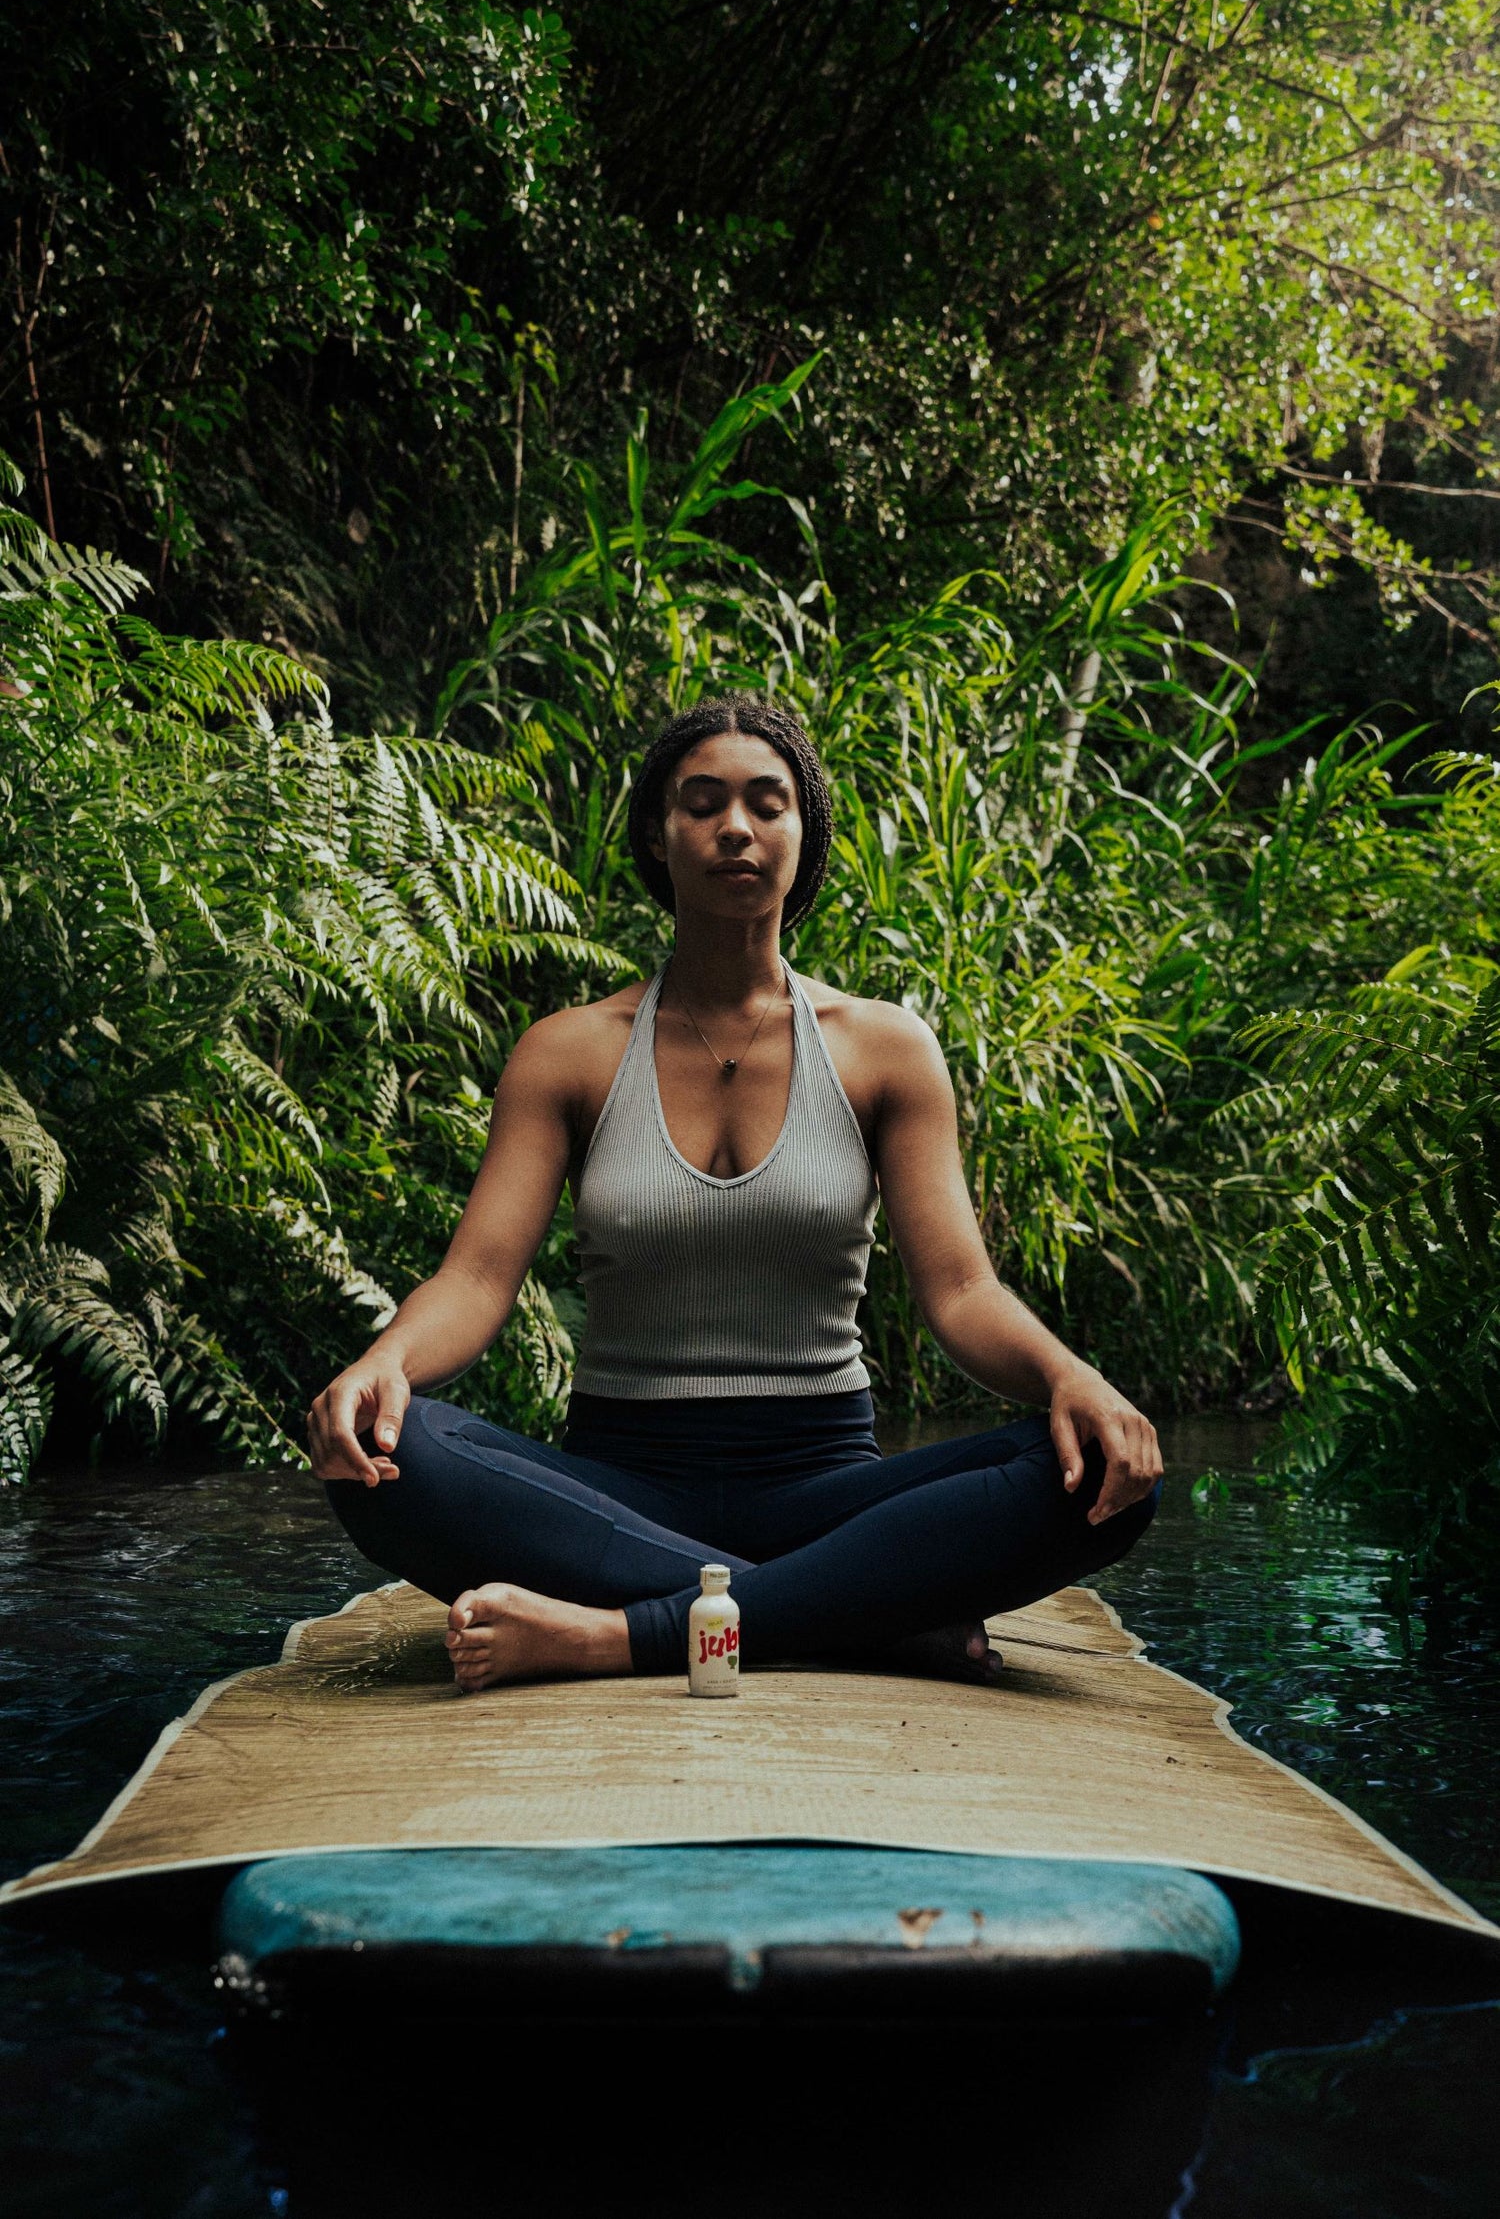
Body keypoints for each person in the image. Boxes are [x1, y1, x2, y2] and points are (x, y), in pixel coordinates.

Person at [308, 695, 1163, 1692]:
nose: (736, 829)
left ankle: (618, 1635)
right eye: (702, 803)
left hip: (827, 1486)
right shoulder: (569, 1053)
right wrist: (384, 1362)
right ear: (657, 839)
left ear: (807, 837)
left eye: (767, 803)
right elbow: (479, 1278)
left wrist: (1074, 1379)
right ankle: (864, 1616)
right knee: (384, 1450)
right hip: (614, 1492)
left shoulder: (884, 1050)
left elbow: (963, 1290)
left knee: (1104, 1474)